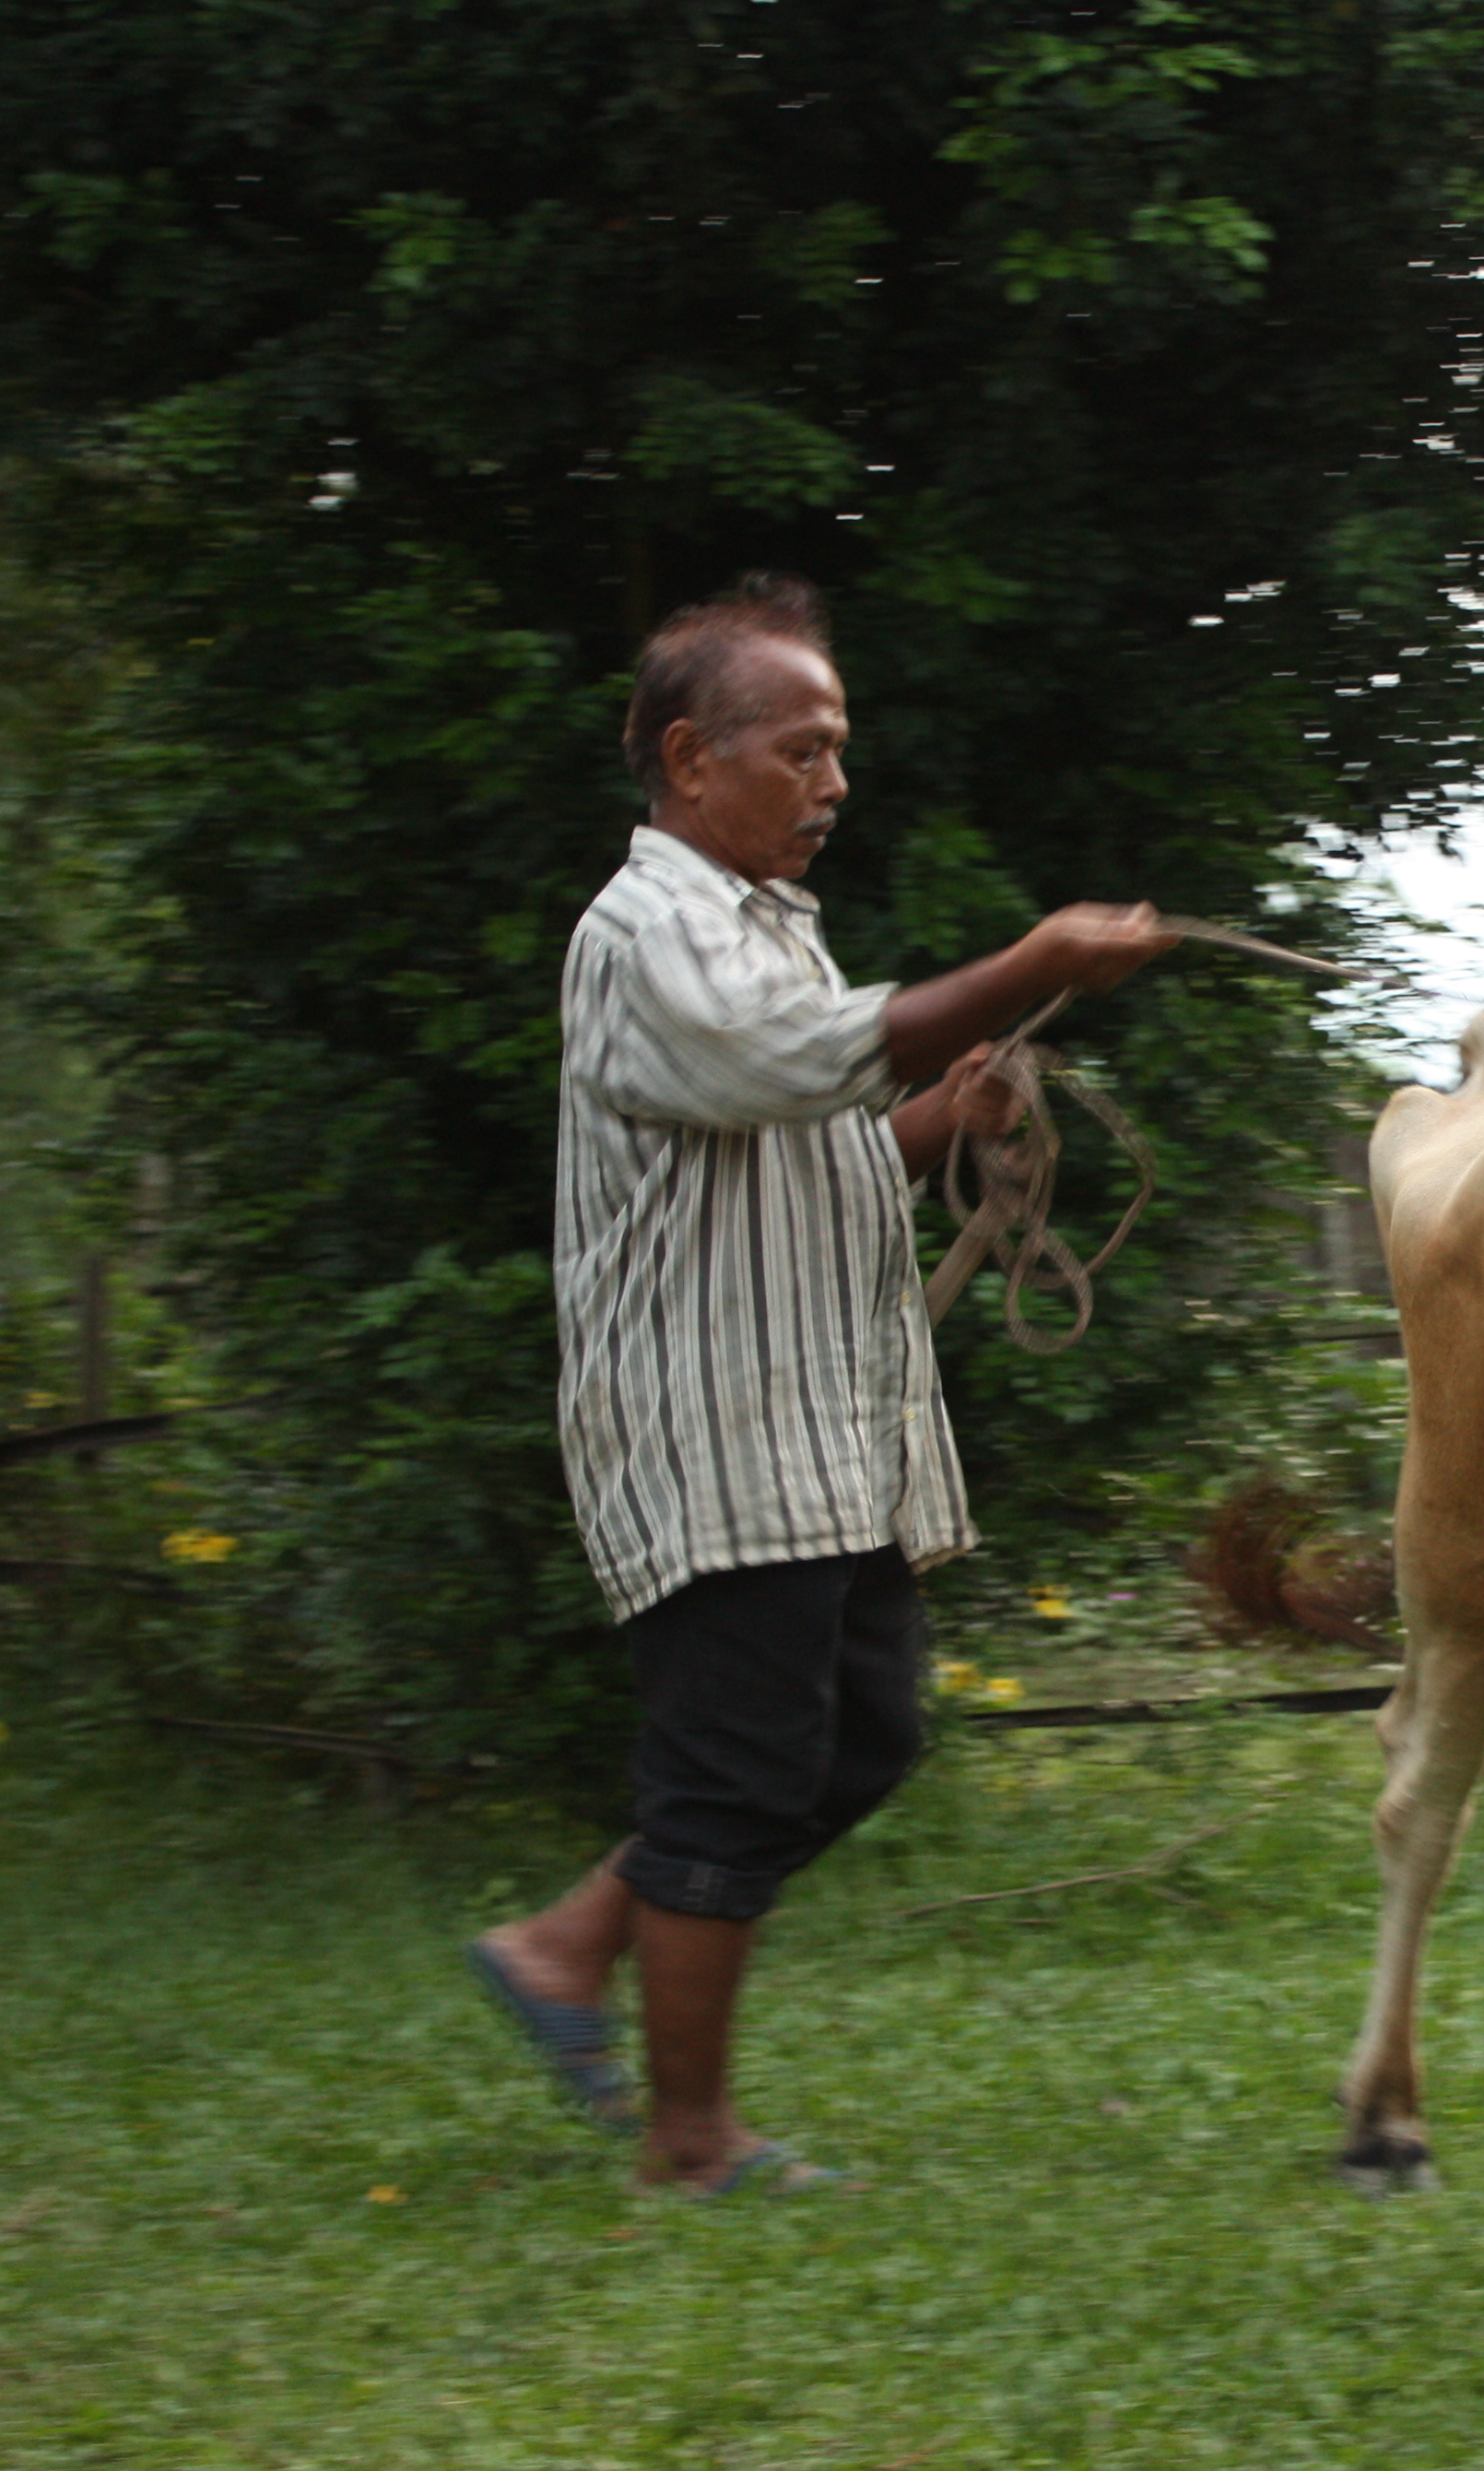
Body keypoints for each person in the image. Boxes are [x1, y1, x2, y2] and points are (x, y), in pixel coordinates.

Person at [465, 573, 1162, 2195]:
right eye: (805, 751)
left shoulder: (763, 926)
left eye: (838, 750)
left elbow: (808, 1144)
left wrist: (946, 1117)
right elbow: (789, 1066)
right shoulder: (646, 932)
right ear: (692, 758)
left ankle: (567, 1949)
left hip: (814, 1434)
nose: (834, 783)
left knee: (863, 1735)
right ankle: (689, 2140)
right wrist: (1029, 963)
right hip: (714, 1431)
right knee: (732, 1777)